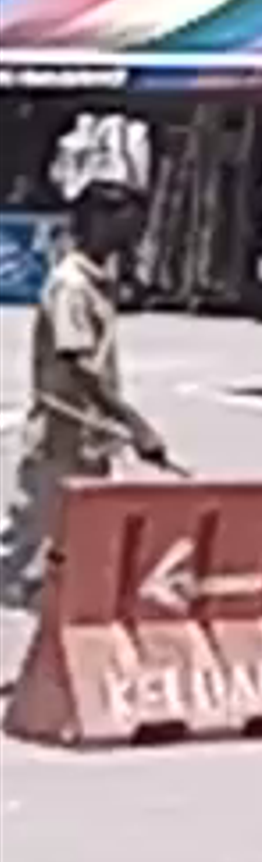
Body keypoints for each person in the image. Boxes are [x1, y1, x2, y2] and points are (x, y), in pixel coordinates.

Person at [7, 185, 175, 594]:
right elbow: (78, 365)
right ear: (98, 220)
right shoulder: (72, 285)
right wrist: (135, 425)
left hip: (87, 438)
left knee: (76, 539)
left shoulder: (97, 281)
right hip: (59, 437)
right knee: (26, 542)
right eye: (127, 224)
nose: (133, 235)